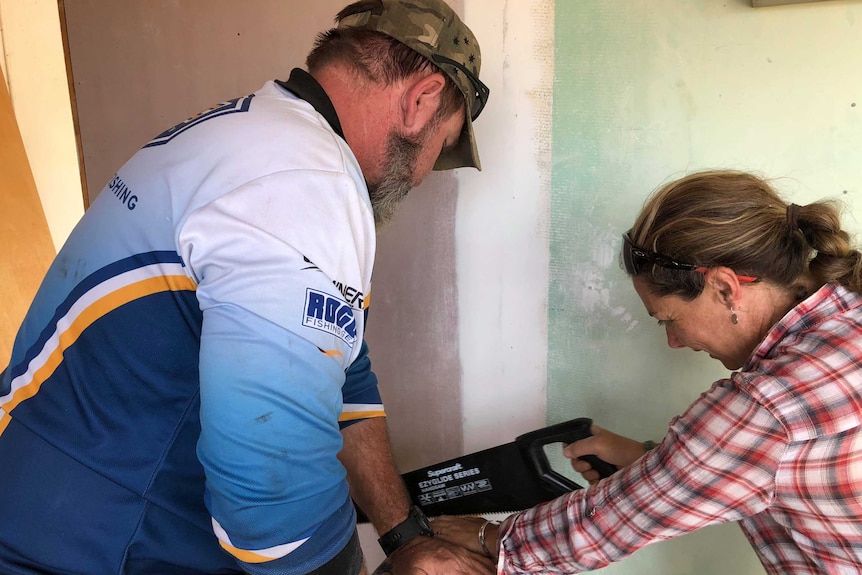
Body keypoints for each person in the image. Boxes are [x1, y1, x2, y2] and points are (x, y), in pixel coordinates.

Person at [0, 1, 494, 574]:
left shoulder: (251, 135)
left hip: (53, 489)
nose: (422, 174)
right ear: (422, 99)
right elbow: (270, 486)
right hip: (94, 540)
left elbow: (344, 377)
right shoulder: (307, 185)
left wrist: (403, 534)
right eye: (444, 145)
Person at [432, 170, 862, 574]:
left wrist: (492, 537)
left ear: (725, 288)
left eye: (668, 319)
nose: (673, 342)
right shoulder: (847, 319)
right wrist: (650, 458)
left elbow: (606, 527)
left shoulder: (768, 405)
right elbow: (781, 465)